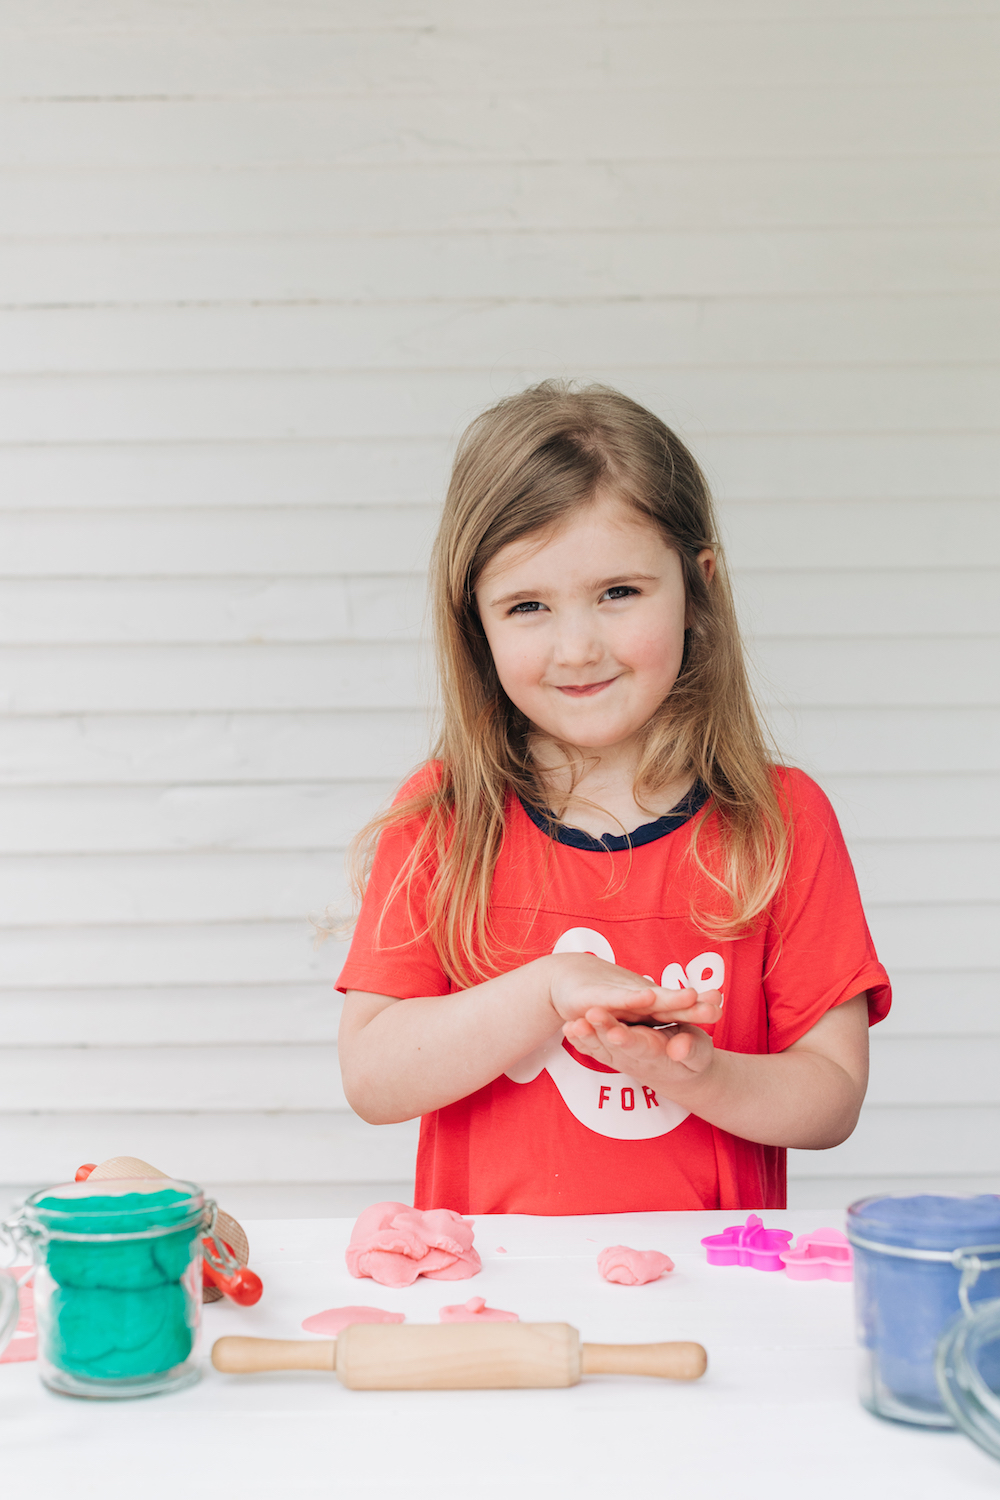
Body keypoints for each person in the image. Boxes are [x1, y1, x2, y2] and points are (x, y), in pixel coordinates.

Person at [336, 381, 891, 1214]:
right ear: (474, 622)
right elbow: (375, 1079)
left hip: (714, 1300)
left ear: (698, 588)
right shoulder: (444, 817)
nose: (577, 647)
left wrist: (698, 1072)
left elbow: (832, 1098)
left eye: (618, 593)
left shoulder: (778, 820)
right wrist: (550, 987)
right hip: (500, 1309)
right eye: (527, 606)